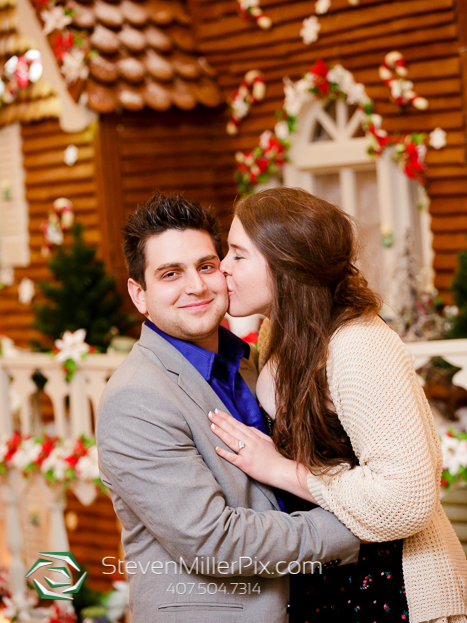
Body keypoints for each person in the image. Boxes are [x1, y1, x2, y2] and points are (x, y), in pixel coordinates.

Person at [96, 192, 360, 623]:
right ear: (139, 294)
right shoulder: (136, 398)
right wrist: (361, 526)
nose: (197, 286)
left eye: (206, 266)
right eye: (170, 274)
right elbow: (215, 541)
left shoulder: (254, 366)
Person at [212, 186, 467, 623]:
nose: (223, 268)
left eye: (238, 255)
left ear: (286, 265)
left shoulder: (358, 346)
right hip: (326, 575)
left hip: (392, 589)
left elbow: (406, 500)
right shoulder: (278, 335)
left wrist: (280, 470)